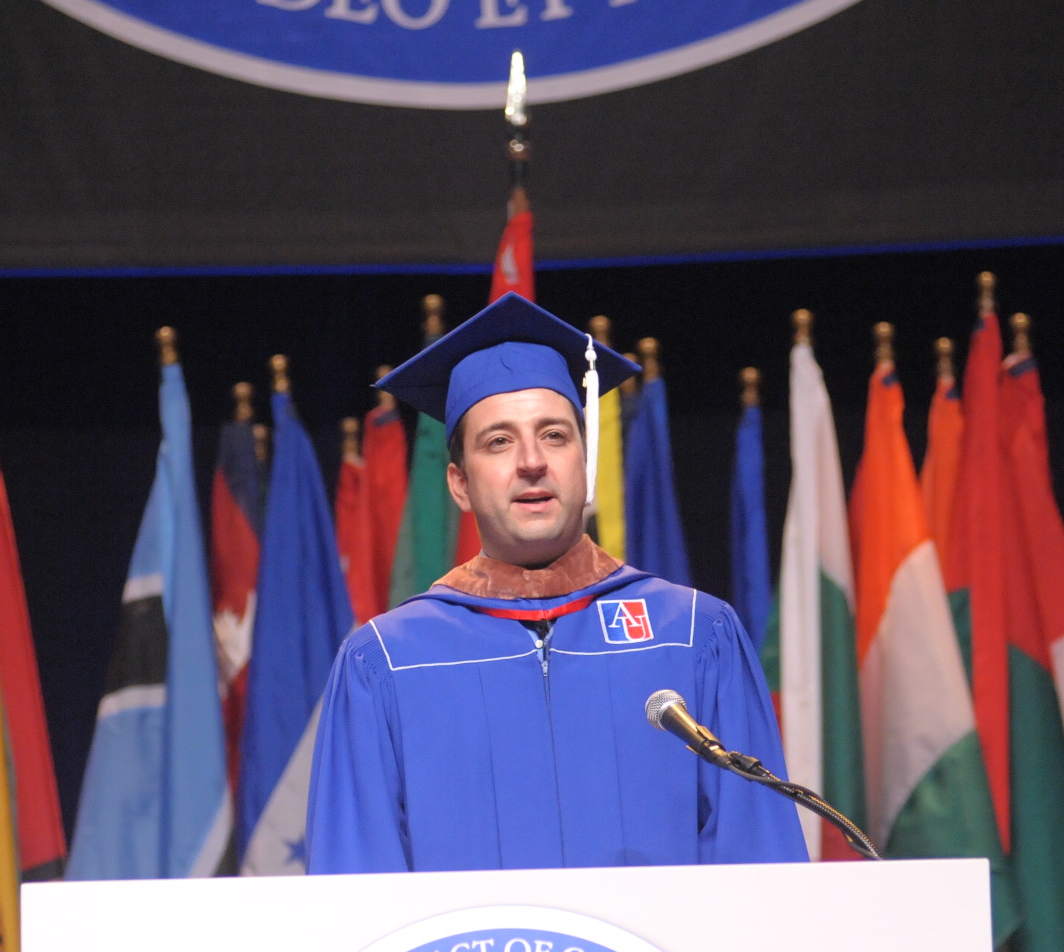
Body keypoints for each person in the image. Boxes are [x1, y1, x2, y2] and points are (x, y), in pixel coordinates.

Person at [306, 293, 807, 873]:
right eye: (498, 442)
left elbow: (762, 871)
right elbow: (354, 897)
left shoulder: (694, 636)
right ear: (460, 484)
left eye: (554, 435)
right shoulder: (386, 663)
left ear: (585, 462)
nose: (531, 462)